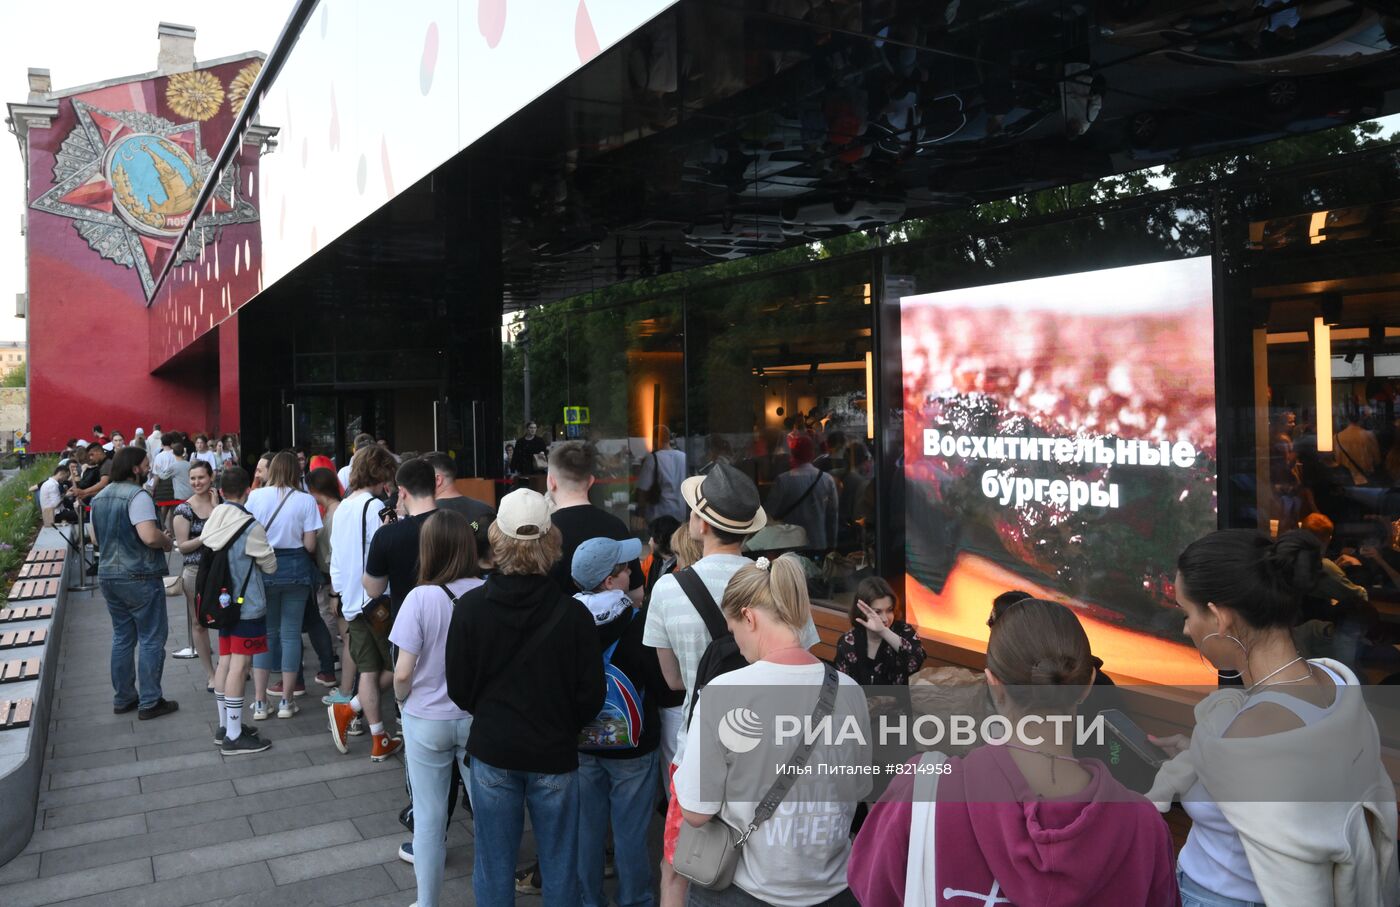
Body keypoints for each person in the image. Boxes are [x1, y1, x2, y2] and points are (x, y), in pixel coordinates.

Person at [848, 598, 1179, 907]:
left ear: (993, 684)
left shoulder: (922, 791)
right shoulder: (1144, 827)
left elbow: (872, 889)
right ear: (1088, 684)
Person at [1146, 529, 1399, 906]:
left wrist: (1205, 759)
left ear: (1219, 618)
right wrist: (1197, 755)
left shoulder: (1250, 730)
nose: (1186, 629)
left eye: (1186, 613)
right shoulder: (1332, 682)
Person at [643, 462, 820, 907]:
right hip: (774, 748)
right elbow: (805, 663)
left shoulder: (667, 588)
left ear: (700, 523)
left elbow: (673, 680)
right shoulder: (776, 584)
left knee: (679, 869)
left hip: (695, 752)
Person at [675, 554, 871, 907]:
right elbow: (858, 788)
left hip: (749, 890)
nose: (738, 644)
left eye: (734, 631)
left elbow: (696, 812)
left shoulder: (723, 693)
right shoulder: (850, 690)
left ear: (748, 617)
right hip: (836, 888)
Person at [444, 488, 604, 907]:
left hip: (494, 748)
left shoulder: (471, 608)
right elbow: (591, 695)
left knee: (494, 863)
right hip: (554, 751)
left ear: (496, 539)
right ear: (552, 542)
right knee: (558, 862)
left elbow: (459, 689)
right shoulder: (573, 614)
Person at [391, 510, 483, 907]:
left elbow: (402, 672)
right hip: (476, 718)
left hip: (426, 718)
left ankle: (427, 902)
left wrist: (401, 699)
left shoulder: (420, 598)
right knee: (487, 813)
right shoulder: (484, 591)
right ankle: (490, 894)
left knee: (428, 818)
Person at [571, 536, 666, 907]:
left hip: (580, 741)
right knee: (630, 833)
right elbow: (658, 681)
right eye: (625, 568)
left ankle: (588, 899)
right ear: (610, 581)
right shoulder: (638, 623)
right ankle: (635, 900)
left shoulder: (566, 619)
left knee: (587, 830)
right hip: (633, 747)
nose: (632, 571)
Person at [364, 457, 440, 862]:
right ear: (438, 485)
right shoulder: (460, 525)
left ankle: (423, 816)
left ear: (402, 491)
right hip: (457, 631)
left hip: (408, 637)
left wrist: (384, 538)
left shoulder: (389, 536)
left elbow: (373, 587)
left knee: (413, 726)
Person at [90, 446, 177, 720]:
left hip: (108, 575)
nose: (149, 467)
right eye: (146, 463)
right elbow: (149, 537)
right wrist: (167, 540)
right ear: (135, 468)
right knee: (151, 637)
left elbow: (95, 539)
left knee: (122, 637)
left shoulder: (99, 497)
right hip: (139, 574)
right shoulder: (138, 496)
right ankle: (150, 701)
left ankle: (124, 697)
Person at [328, 445, 402, 762]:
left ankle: (374, 734)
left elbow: (336, 560)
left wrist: (339, 595)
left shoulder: (343, 508)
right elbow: (389, 549)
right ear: (381, 471)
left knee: (369, 671)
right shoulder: (376, 508)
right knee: (401, 666)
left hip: (351, 603)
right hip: (377, 603)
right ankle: (352, 711)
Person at [204, 467, 277, 755]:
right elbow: (270, 565)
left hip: (222, 604)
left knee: (225, 661)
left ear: (220, 491)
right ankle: (235, 736)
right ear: (248, 489)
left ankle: (226, 726)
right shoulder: (249, 526)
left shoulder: (215, 517)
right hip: (246, 605)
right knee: (240, 665)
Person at [246, 451, 322, 720]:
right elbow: (311, 545)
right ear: (296, 472)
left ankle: (259, 702)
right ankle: (287, 702)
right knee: (291, 635)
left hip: (264, 568)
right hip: (297, 570)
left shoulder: (255, 497)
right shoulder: (306, 501)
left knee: (266, 635)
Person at [545, 441, 644, 603]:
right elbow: (636, 594)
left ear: (551, 481)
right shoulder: (616, 526)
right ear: (591, 481)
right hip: (611, 627)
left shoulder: (543, 532)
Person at [172, 460, 219, 689]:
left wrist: (216, 506)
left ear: (211, 477)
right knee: (199, 622)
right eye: (193, 478)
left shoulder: (220, 504)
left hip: (222, 570)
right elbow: (182, 546)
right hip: (195, 571)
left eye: (201, 477)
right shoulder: (184, 509)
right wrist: (205, 536)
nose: (196, 482)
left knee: (229, 617)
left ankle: (232, 666)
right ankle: (211, 674)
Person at [834, 575, 926, 686]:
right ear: (862, 611)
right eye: (877, 612)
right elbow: (843, 684)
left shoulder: (904, 631)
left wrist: (883, 631)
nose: (885, 618)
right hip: (860, 701)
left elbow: (917, 658)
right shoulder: (848, 641)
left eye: (889, 610)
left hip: (899, 701)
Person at [764, 434, 839, 551]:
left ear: (792, 454)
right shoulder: (827, 479)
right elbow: (832, 516)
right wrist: (832, 545)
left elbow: (769, 514)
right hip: (818, 543)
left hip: (790, 546)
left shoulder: (783, 480)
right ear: (812, 454)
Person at [307, 466, 344, 691]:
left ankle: (332, 659)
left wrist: (333, 591)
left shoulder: (335, 514)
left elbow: (334, 553)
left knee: (328, 616)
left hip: (330, 578)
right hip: (329, 576)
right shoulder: (332, 511)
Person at [423, 451, 496, 527]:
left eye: (423, 478)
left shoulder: (425, 516)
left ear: (438, 479)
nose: (420, 484)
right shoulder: (486, 510)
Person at [636, 426, 687, 523]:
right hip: (681, 513)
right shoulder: (683, 457)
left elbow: (643, 489)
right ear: (669, 438)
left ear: (655, 439)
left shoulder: (653, 459)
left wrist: (639, 513)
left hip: (659, 515)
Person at [1337, 411, 1381, 485]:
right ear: (1360, 420)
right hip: (1366, 476)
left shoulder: (1337, 437)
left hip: (1346, 477)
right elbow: (1377, 458)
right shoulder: (1369, 435)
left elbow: (1337, 459)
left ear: (1348, 420)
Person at [39, 463, 69, 527]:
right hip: (55, 515)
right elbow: (56, 504)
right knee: (80, 513)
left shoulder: (48, 483)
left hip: (51, 513)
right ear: (61, 474)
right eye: (66, 477)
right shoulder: (52, 485)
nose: (65, 479)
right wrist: (66, 495)